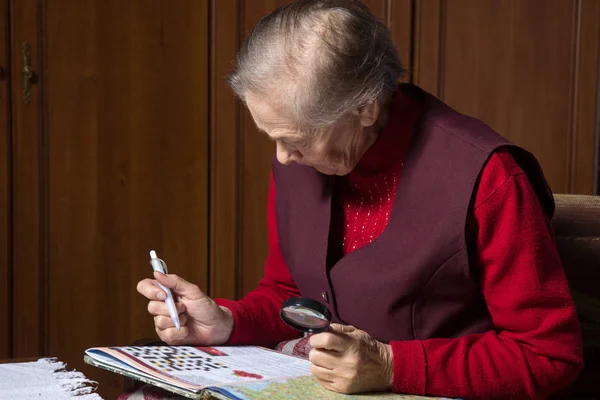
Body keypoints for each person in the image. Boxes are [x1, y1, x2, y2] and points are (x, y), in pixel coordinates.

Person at [136, 0, 584, 398]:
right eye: (271, 137)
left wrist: (392, 366)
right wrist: (227, 323)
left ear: (366, 107)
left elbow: (549, 356)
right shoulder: (302, 155)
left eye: (295, 139)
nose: (283, 158)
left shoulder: (490, 178)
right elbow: (293, 296)